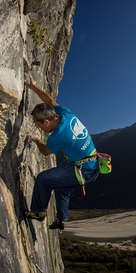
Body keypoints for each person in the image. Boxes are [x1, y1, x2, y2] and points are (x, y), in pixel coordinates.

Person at [24, 75, 98, 230]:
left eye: (38, 124)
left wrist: (38, 141)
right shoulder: (65, 113)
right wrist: (33, 86)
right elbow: (50, 101)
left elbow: (45, 151)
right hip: (93, 163)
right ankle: (60, 220)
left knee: (44, 179)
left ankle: (38, 212)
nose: (38, 127)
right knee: (62, 187)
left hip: (82, 170)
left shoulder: (57, 137)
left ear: (46, 122)